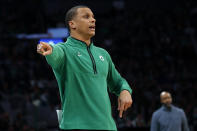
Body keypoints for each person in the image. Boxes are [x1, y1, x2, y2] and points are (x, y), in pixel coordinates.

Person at [37, 5, 133, 131]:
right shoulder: (64, 50)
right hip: (76, 126)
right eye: (86, 17)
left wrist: (125, 91)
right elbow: (56, 54)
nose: (93, 20)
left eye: (93, 17)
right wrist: (50, 49)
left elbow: (118, 82)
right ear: (72, 24)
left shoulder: (103, 54)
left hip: (107, 127)